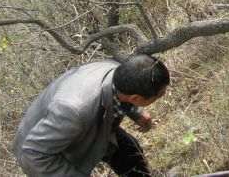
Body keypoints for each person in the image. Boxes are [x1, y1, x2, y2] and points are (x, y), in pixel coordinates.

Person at [13, 54, 170, 176]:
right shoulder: (73, 110)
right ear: (136, 98)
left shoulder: (118, 71)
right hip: (44, 148)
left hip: (92, 121)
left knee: (130, 153)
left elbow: (122, 95)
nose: (163, 95)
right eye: (160, 95)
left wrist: (137, 112)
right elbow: (32, 154)